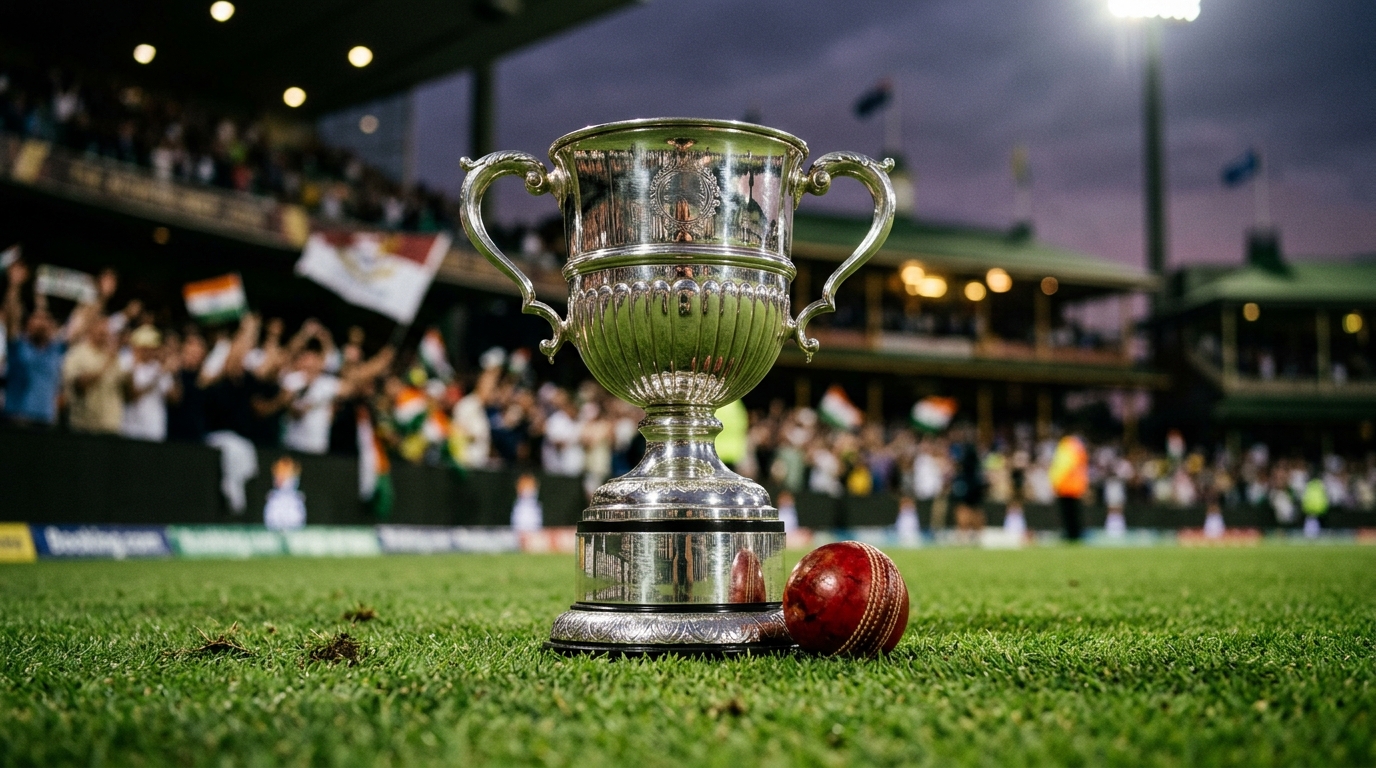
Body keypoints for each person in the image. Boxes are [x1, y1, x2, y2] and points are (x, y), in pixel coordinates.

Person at [3, 261, 67, 426]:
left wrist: (100, 298)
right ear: (28, 324)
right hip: (17, 420)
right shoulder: (18, 344)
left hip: (46, 422)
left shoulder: (56, 349)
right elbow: (12, 315)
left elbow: (81, 325)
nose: (41, 322)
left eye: (46, 318)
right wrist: (14, 286)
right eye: (37, 318)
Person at [62, 317, 123, 434]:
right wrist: (106, 364)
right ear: (90, 330)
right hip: (84, 426)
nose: (105, 336)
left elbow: (121, 388)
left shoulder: (113, 356)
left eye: (107, 333)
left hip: (110, 427)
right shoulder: (76, 354)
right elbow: (80, 385)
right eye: (101, 333)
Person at [120, 325, 175, 441]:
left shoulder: (158, 366)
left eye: (153, 348)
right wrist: (159, 375)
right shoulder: (125, 363)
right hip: (131, 428)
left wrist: (174, 372)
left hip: (155, 428)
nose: (150, 352)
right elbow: (132, 396)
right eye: (146, 348)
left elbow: (174, 398)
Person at [1049, 433, 1089, 541]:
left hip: (1065, 486)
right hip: (1076, 487)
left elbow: (1063, 467)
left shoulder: (1066, 447)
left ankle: (1071, 533)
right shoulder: (1079, 449)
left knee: (1068, 513)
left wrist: (1055, 482)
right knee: (1075, 512)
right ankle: (1076, 533)